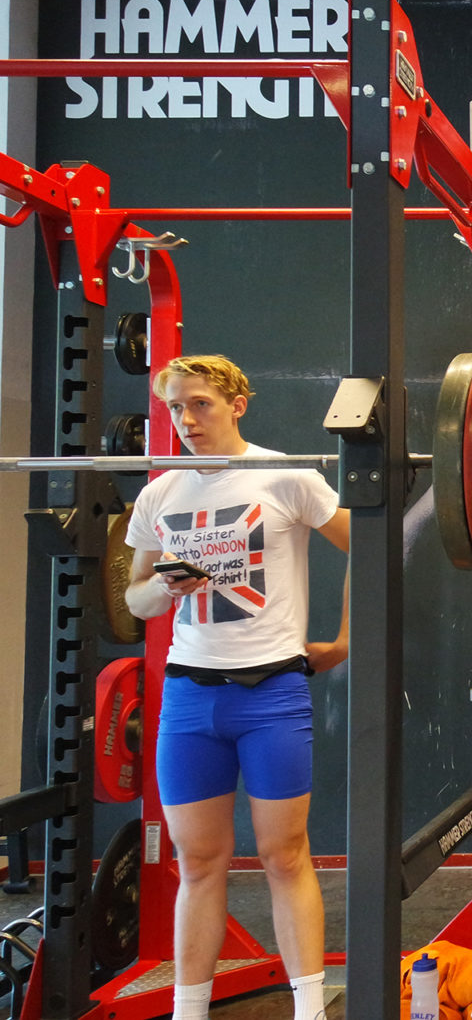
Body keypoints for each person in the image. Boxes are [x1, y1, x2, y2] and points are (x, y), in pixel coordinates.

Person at [124, 355, 350, 1020]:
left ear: (236, 405)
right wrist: (164, 585)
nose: (186, 419)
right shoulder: (160, 494)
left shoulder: (285, 476)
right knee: (198, 862)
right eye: (175, 407)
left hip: (271, 693)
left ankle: (310, 1010)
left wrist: (345, 641)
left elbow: (368, 545)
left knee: (284, 855)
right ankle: (188, 1010)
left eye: (200, 404)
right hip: (190, 698)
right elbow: (134, 599)